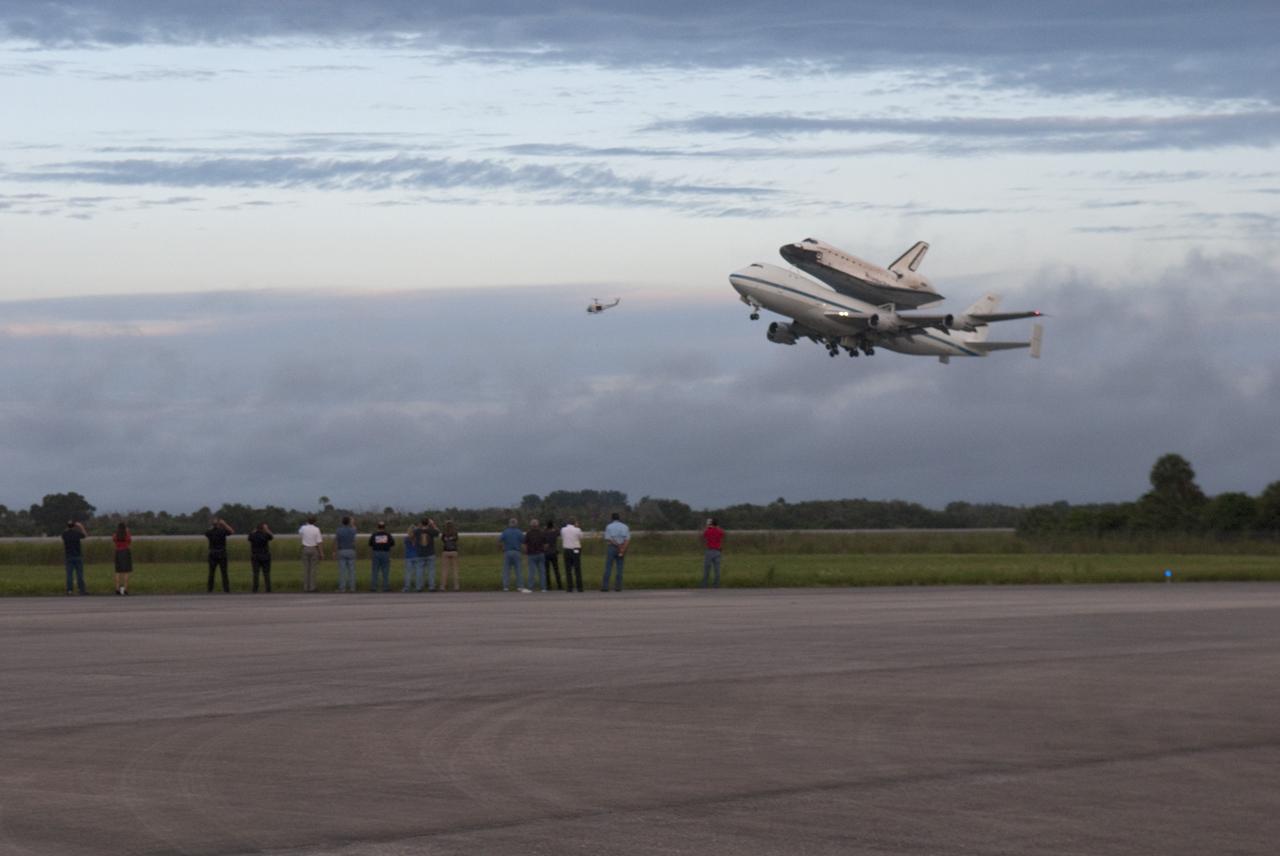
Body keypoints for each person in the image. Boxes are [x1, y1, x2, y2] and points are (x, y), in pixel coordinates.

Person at [601, 512, 630, 592]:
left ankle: (605, 586)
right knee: (619, 568)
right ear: (619, 518)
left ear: (612, 518)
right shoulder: (625, 526)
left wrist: (617, 545)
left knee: (608, 567)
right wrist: (623, 548)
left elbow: (608, 538)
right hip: (622, 547)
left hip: (612, 547)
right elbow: (627, 539)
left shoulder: (609, 526)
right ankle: (618, 587)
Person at [205, 517, 234, 593]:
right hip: (222, 553)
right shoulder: (222, 531)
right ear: (219, 524)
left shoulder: (210, 532)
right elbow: (231, 531)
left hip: (212, 553)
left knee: (211, 573)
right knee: (224, 573)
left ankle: (209, 589)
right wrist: (224, 524)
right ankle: (226, 589)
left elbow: (207, 532)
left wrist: (213, 524)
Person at [498, 518, 526, 592]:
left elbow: (499, 541)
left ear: (509, 523)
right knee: (518, 570)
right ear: (516, 524)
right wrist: (524, 551)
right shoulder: (519, 532)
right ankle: (520, 586)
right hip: (517, 552)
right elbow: (524, 542)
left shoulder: (505, 532)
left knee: (506, 570)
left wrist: (502, 549)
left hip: (508, 552)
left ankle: (506, 587)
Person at [298, 515, 324, 593]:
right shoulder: (317, 529)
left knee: (306, 569)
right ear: (315, 522)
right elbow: (319, 542)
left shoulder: (303, 528)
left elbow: (300, 533)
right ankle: (312, 587)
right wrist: (321, 553)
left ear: (307, 521)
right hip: (313, 548)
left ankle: (306, 587)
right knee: (313, 569)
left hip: (305, 548)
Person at [62, 520, 88, 595]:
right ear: (74, 526)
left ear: (67, 526)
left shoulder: (65, 534)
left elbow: (64, 533)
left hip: (68, 556)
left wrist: (68, 528)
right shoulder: (77, 533)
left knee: (69, 574)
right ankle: (81, 590)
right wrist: (81, 526)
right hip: (78, 556)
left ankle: (69, 590)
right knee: (79, 574)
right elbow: (85, 535)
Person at [248, 523, 274, 593]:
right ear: (263, 529)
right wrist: (267, 530)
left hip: (255, 556)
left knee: (256, 573)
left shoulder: (253, 535)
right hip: (265, 556)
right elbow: (271, 537)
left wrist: (254, 531)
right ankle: (268, 589)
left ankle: (255, 589)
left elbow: (249, 537)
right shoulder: (265, 535)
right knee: (266, 573)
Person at [369, 522, 394, 592]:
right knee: (385, 571)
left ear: (378, 527)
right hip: (386, 553)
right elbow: (392, 543)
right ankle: (386, 587)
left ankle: (373, 587)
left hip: (376, 553)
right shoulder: (388, 535)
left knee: (375, 571)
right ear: (384, 527)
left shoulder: (374, 535)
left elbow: (370, 544)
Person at [560, 517, 584, 592]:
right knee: (577, 569)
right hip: (576, 549)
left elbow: (563, 536)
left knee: (568, 569)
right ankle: (579, 587)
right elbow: (581, 537)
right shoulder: (577, 529)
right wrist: (577, 527)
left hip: (567, 550)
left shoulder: (563, 529)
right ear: (574, 523)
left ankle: (569, 587)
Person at [335, 515, 357, 592]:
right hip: (351, 550)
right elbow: (354, 527)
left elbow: (337, 542)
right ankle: (352, 588)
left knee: (342, 571)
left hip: (342, 550)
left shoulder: (338, 530)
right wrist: (352, 522)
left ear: (342, 522)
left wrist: (335, 551)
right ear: (349, 522)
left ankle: (342, 588)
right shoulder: (353, 530)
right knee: (352, 571)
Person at [418, 517, 441, 591]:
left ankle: (420, 586)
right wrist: (433, 524)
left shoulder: (417, 531)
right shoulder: (431, 531)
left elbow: (412, 532)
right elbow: (438, 532)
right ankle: (431, 587)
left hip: (420, 553)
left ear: (421, 523)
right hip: (430, 553)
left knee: (420, 570)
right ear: (428, 523)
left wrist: (420, 526)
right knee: (431, 571)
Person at [701, 518, 725, 588]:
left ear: (710, 524)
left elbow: (704, 535)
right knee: (717, 570)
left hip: (709, 551)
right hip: (717, 551)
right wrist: (717, 527)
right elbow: (722, 534)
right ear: (717, 524)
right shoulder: (719, 531)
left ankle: (704, 585)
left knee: (707, 569)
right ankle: (716, 585)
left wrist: (708, 527)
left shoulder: (708, 531)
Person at [525, 518, 547, 592]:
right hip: (540, 553)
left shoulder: (528, 533)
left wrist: (526, 551)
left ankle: (531, 587)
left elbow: (525, 544)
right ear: (538, 525)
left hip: (531, 554)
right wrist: (543, 550)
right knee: (542, 572)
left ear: (531, 525)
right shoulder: (542, 533)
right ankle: (543, 588)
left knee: (531, 572)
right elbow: (546, 544)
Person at [112, 522, 133, 595]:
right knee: (126, 571)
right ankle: (125, 589)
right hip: (125, 552)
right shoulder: (127, 535)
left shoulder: (115, 535)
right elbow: (129, 541)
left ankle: (117, 589)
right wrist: (128, 532)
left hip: (118, 552)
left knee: (117, 571)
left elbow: (114, 540)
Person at [439, 519, 461, 591]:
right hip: (454, 551)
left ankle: (443, 586)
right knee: (455, 570)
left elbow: (442, 540)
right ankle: (456, 586)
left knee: (445, 570)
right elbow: (456, 540)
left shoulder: (444, 533)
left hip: (445, 551)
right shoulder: (455, 533)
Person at [402, 522, 422, 592]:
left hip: (408, 557)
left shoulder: (406, 539)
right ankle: (418, 587)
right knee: (417, 572)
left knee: (408, 573)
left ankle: (406, 587)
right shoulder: (418, 539)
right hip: (417, 556)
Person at [543, 519, 562, 590]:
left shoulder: (544, 533)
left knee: (547, 571)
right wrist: (555, 528)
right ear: (552, 526)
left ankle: (548, 586)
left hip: (546, 553)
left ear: (547, 526)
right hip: (554, 552)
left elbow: (543, 533)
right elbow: (558, 531)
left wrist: (545, 529)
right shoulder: (555, 533)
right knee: (556, 570)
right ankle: (559, 585)